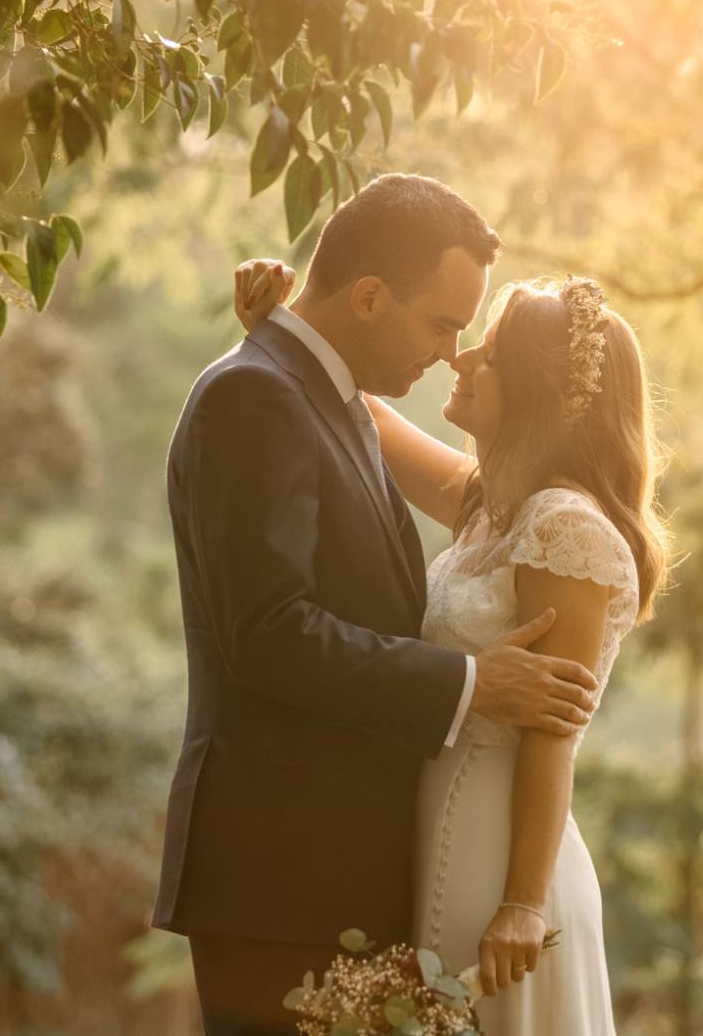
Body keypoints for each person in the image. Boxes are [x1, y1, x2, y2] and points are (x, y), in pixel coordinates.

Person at [154, 173, 604, 1036]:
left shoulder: (330, 397)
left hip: (355, 875)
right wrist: (473, 685)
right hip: (278, 877)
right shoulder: (255, 396)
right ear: (367, 297)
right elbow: (268, 632)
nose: (448, 353)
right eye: (441, 324)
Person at [233, 249, 669, 1036]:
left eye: (490, 353)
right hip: (444, 826)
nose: (460, 357)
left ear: (535, 393)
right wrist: (280, 328)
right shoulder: (492, 506)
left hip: (502, 853)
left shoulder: (563, 527)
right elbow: (358, 411)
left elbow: (551, 733)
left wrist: (522, 906)